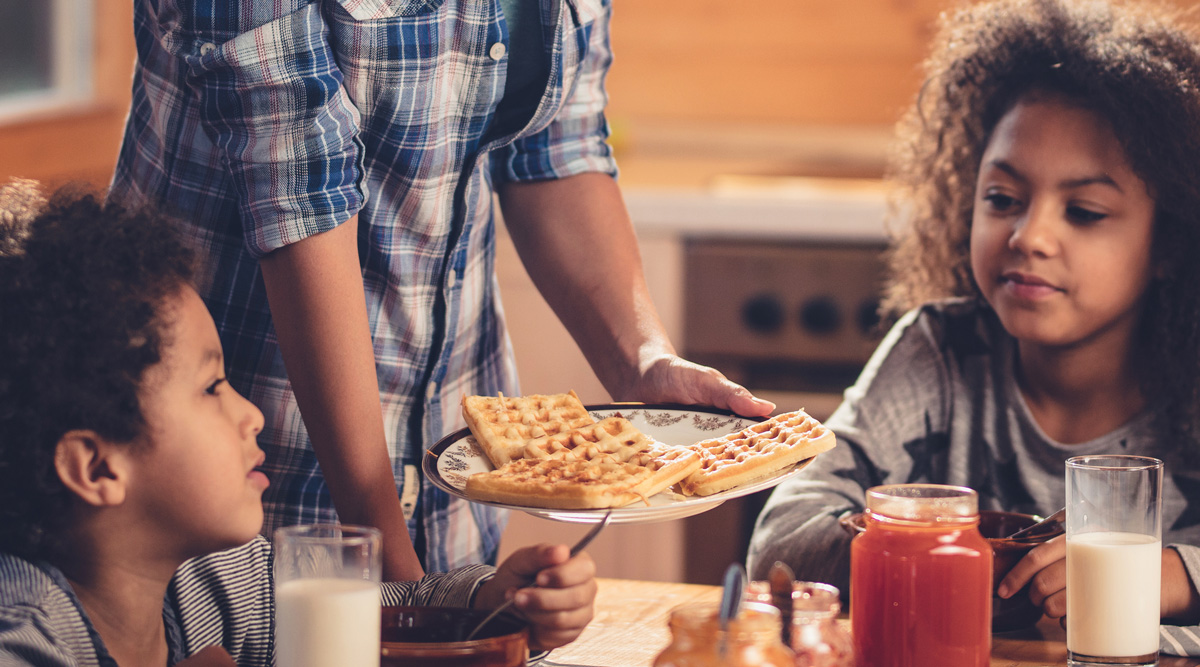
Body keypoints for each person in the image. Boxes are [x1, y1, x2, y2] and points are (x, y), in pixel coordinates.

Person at [108, 0, 774, 580]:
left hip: (450, 489)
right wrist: (388, 562)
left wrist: (644, 362)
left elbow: (556, 145)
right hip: (235, 483)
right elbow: (295, 191)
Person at [747, 0, 1200, 653]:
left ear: (1168, 245)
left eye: (1085, 211)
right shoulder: (938, 352)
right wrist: (934, 549)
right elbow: (781, 541)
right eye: (1003, 199)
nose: (1029, 235)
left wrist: (1174, 574)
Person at [0, 181, 596, 666]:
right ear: (97, 466)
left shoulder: (226, 581)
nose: (251, 413)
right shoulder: (25, 636)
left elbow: (387, 616)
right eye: (212, 388)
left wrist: (495, 604)